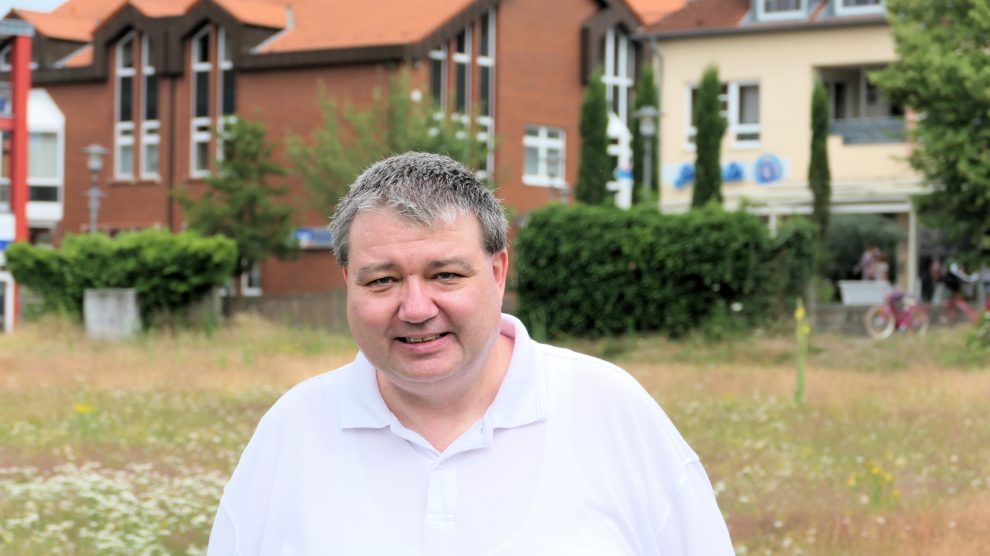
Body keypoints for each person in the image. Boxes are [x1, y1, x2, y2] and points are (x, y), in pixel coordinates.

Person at [207, 152, 734, 555]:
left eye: (446, 275)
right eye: (383, 280)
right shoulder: (293, 430)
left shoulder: (609, 410)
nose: (415, 308)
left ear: (499, 271)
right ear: (348, 283)